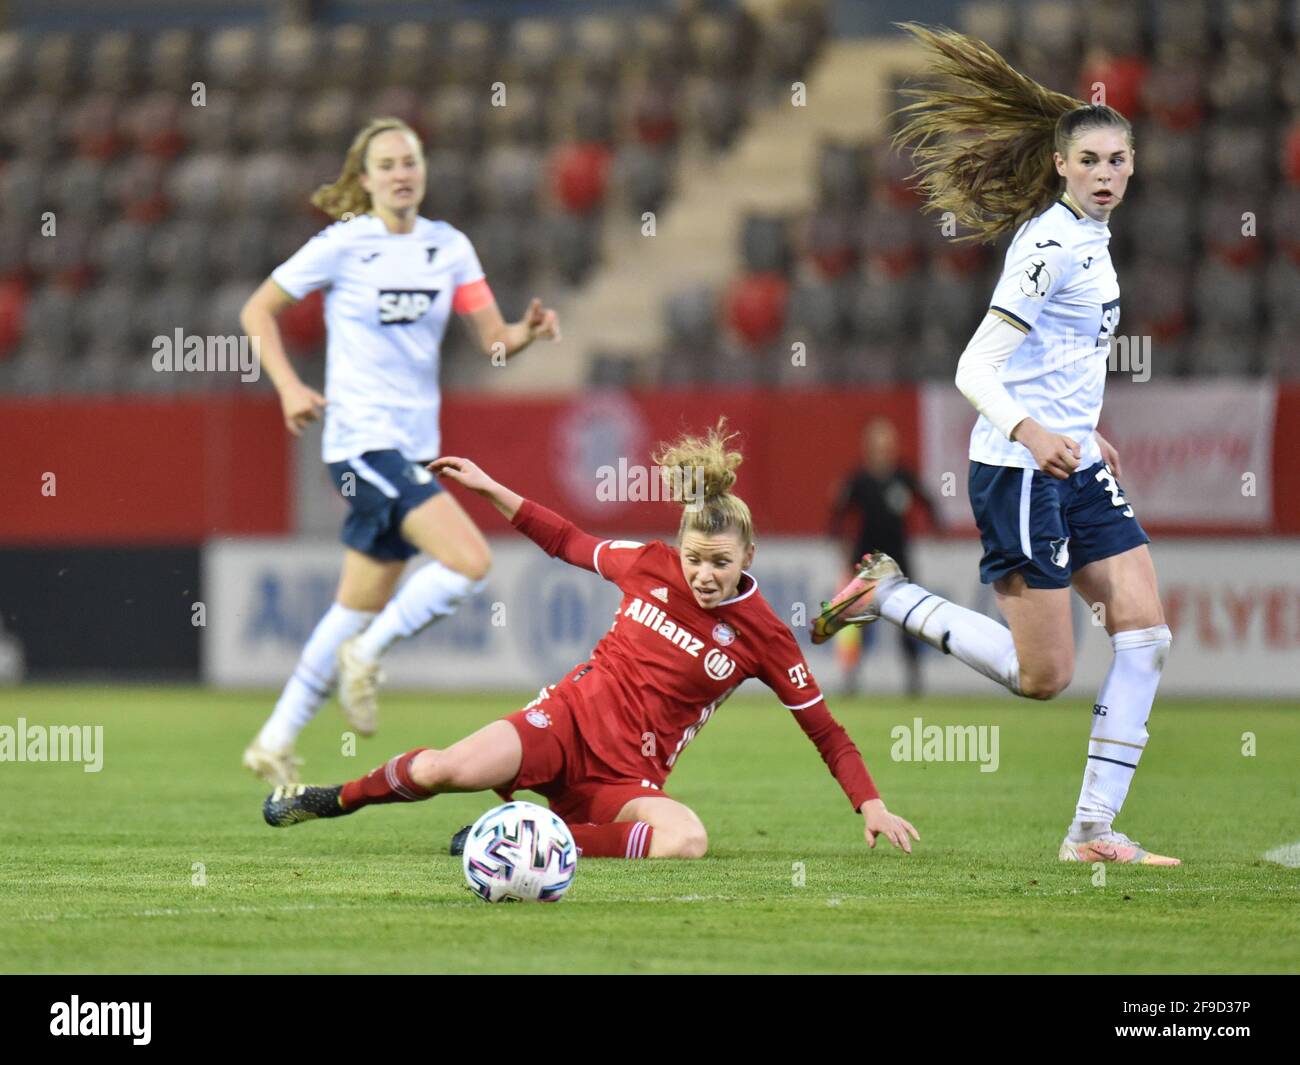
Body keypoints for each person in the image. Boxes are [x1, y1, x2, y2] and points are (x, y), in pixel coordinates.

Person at [814, 25, 1178, 866]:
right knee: (1042, 675)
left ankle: (1092, 832)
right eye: (1089, 161)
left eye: (1117, 161)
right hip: (1019, 469)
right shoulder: (1049, 247)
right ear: (1060, 165)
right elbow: (974, 365)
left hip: (1073, 459)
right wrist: (1034, 429)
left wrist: (1086, 432)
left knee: (1147, 634)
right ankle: (891, 597)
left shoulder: (1093, 240)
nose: (1105, 175)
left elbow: (1064, 358)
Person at [262, 421, 919, 860]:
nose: (704, 573)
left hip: (626, 775)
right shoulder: (649, 562)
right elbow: (569, 541)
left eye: (720, 560)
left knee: (686, 840)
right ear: (681, 546)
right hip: (563, 722)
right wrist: (493, 490)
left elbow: (826, 730)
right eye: (695, 556)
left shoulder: (765, 635)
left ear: (748, 552)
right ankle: (328, 799)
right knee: (441, 769)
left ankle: (526, 837)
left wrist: (872, 804)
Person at [240, 117, 560, 786]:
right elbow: (256, 311)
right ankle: (371, 652)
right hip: (360, 445)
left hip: (411, 452)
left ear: (423, 170)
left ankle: (274, 738)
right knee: (470, 561)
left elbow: (491, 341)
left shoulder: (450, 248)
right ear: (366, 179)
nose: (401, 173)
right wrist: (290, 385)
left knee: (355, 602)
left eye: (410, 160)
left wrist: (527, 333)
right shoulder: (343, 244)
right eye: (387, 164)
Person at [827, 417, 936, 697]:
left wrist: (937, 528)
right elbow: (837, 515)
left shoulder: (903, 477)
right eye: (877, 442)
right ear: (868, 446)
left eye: (887, 442)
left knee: (908, 620)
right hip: (867, 561)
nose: (883, 448)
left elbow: (929, 501)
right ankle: (851, 678)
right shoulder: (859, 479)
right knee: (858, 621)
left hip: (899, 560)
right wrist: (842, 548)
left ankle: (914, 679)